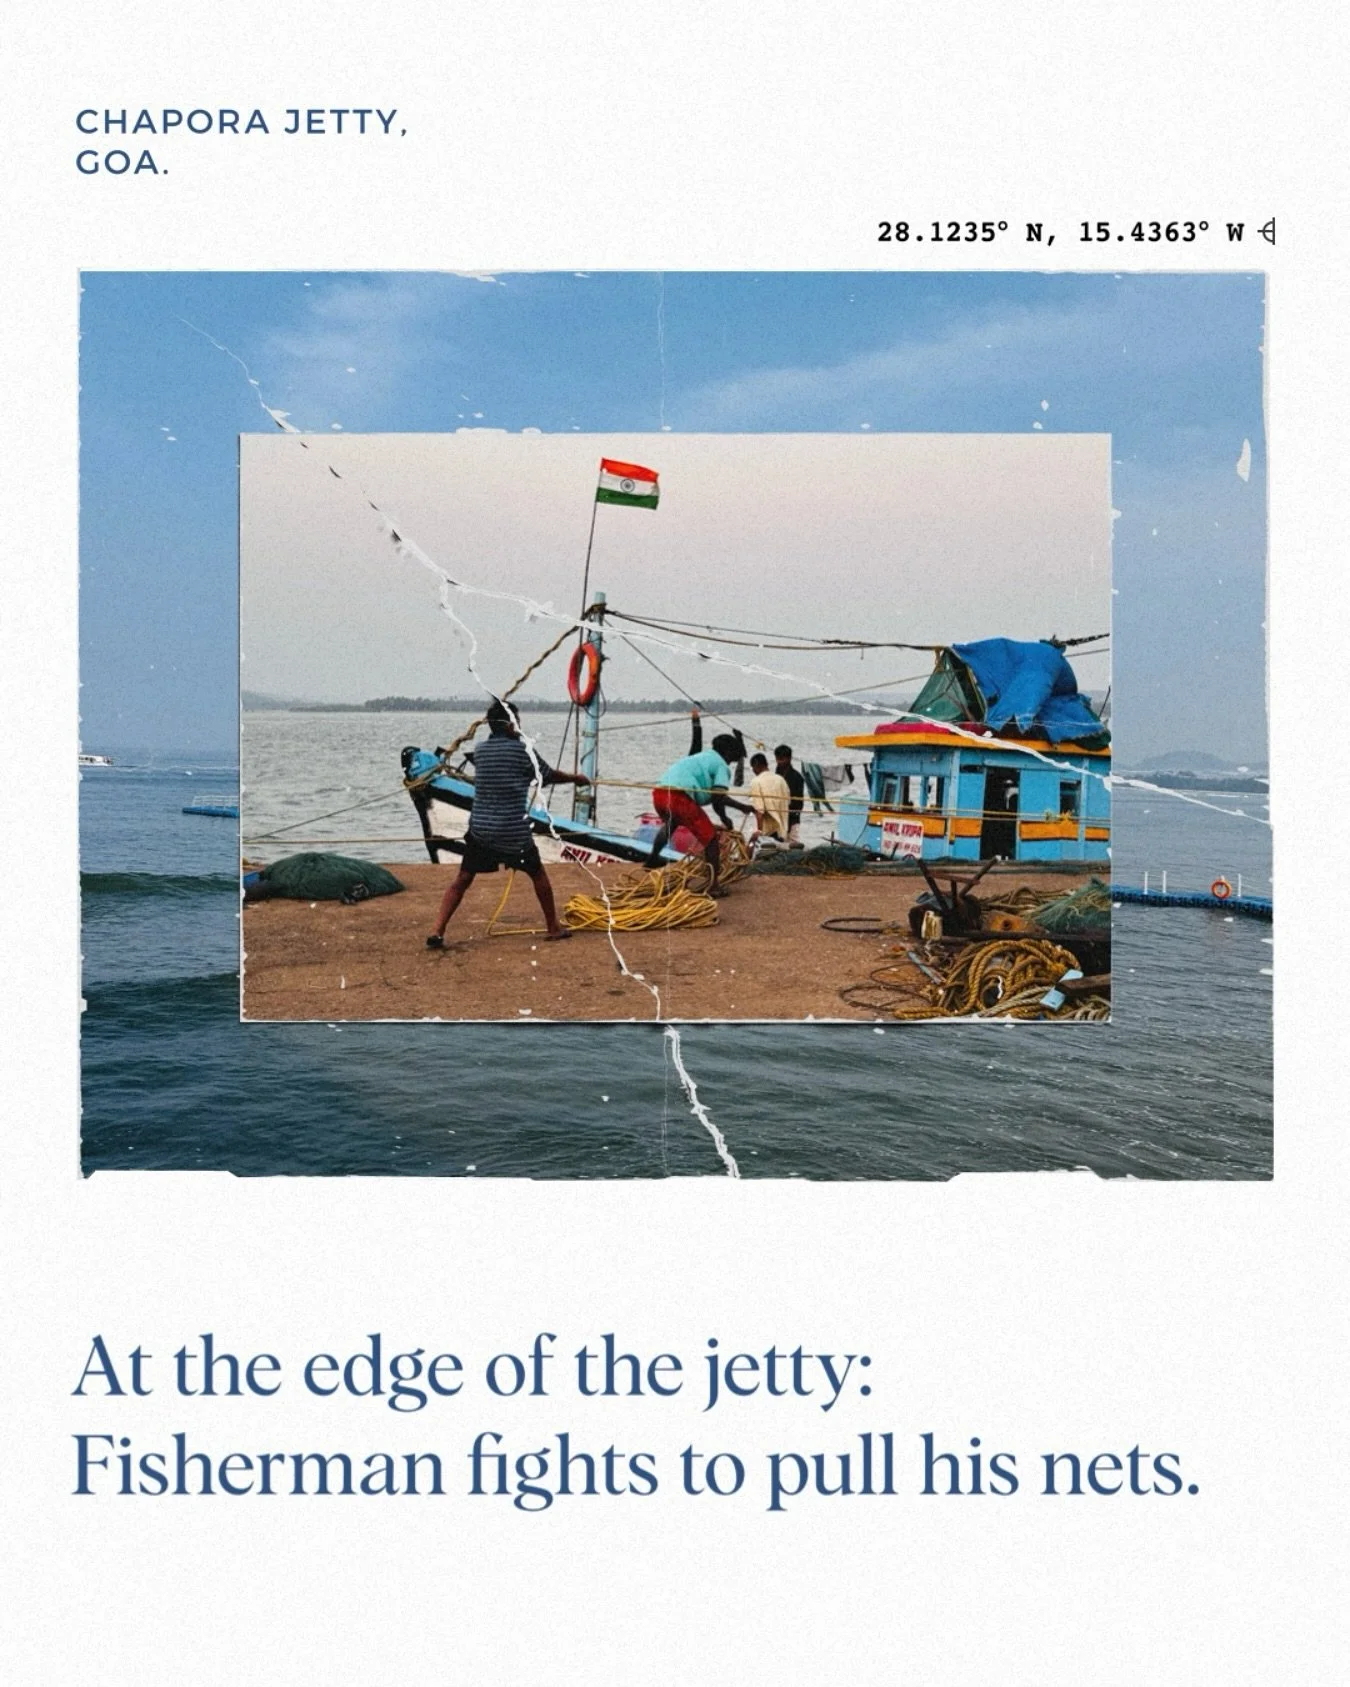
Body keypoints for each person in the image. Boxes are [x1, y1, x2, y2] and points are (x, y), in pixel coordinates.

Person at [426, 698, 589, 946]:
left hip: (481, 831)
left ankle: (437, 930)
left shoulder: (480, 752)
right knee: (538, 875)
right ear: (512, 725)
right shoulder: (523, 751)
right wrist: (576, 778)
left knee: (462, 879)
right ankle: (553, 927)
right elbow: (547, 775)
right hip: (513, 834)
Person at [644, 708, 751, 893]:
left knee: (672, 823)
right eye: (733, 754)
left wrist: (740, 807)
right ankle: (713, 886)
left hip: (660, 794)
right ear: (727, 752)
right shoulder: (721, 766)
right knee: (711, 841)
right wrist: (726, 819)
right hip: (679, 797)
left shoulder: (701, 757)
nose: (734, 759)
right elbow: (718, 798)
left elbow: (714, 795)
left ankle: (653, 858)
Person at [746, 752, 792, 843]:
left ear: (756, 766)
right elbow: (788, 802)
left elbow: (759, 811)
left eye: (752, 768)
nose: (753, 771)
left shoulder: (756, 782)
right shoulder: (781, 779)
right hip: (782, 830)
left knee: (750, 848)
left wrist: (759, 832)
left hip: (767, 832)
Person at [773, 744, 806, 847]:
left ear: (789, 759)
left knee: (792, 845)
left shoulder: (797, 777)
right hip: (777, 817)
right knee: (776, 845)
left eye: (782, 759)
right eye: (778, 759)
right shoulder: (775, 775)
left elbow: (799, 803)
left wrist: (791, 819)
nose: (779, 762)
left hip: (792, 818)